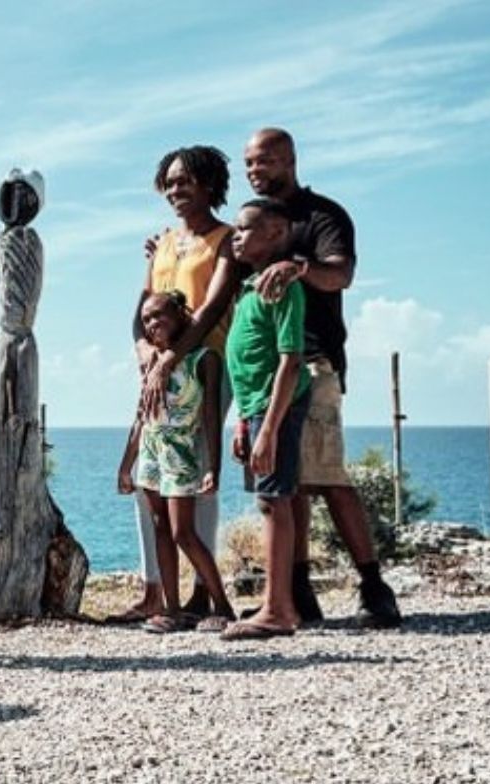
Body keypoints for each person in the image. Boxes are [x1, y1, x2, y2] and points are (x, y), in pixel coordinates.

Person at [242, 128, 401, 628]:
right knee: (290, 482)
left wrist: (298, 266)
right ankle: (297, 592)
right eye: (248, 162)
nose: (254, 170)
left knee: (328, 477)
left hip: (314, 362)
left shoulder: (322, 216)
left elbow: (341, 275)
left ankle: (375, 588)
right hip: (269, 373)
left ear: (289, 159)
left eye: (263, 160)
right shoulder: (255, 222)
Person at [117, 145, 239, 622]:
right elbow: (143, 303)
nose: (174, 190)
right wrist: (146, 353)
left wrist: (170, 358)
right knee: (152, 472)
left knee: (196, 471)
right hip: (159, 371)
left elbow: (209, 308)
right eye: (168, 182)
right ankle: (156, 590)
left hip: (205, 366)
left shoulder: (226, 239)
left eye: (184, 181)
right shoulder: (164, 242)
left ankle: (204, 595)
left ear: (209, 184)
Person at [221, 199, 312, 640]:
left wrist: (270, 429)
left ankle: (278, 609)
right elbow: (244, 365)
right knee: (269, 499)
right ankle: (281, 604)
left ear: (276, 233)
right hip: (255, 407)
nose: (235, 236)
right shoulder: (251, 287)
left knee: (276, 501)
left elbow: (289, 360)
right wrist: (243, 423)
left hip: (277, 407)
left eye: (244, 229)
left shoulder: (282, 287)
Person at [118, 291, 235, 633]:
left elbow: (212, 416)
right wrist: (127, 464)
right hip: (153, 452)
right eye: (147, 320)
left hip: (182, 452)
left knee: (183, 532)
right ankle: (172, 609)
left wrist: (213, 466)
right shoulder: (153, 362)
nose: (153, 324)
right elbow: (142, 416)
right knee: (160, 529)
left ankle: (223, 606)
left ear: (181, 313)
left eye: (159, 315)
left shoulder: (204, 358)